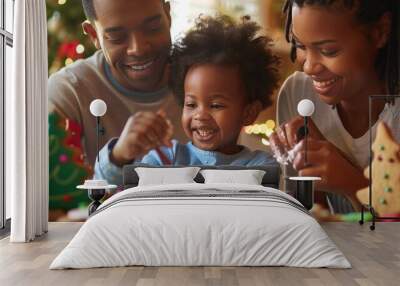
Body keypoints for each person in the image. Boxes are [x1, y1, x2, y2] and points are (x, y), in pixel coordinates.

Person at [95, 15, 280, 184]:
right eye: (191, 104)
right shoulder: (164, 160)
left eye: (215, 105)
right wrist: (120, 155)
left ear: (249, 112)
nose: (200, 115)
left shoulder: (260, 166)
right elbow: (108, 188)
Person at [269, 0, 400, 213]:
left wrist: (353, 183)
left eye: (329, 50)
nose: (309, 67)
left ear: (379, 32)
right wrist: (310, 173)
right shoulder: (298, 92)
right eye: (300, 45)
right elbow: (313, 215)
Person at [48, 0, 187, 168]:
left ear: (168, 15)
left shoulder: (209, 78)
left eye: (153, 27)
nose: (138, 49)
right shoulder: (70, 92)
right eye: (117, 37)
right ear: (93, 35)